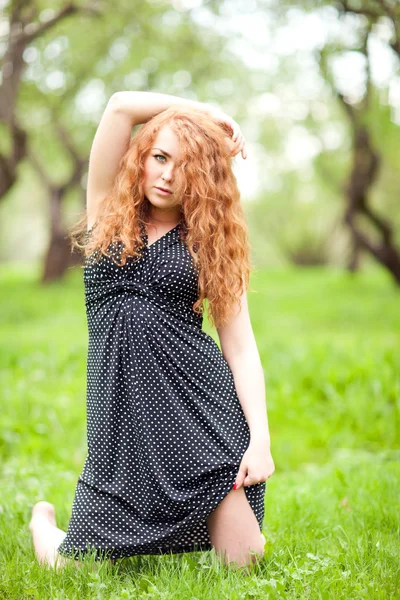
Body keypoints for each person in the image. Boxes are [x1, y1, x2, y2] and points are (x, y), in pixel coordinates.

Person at [29, 91, 275, 571]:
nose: (167, 174)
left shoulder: (209, 243)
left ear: (203, 177)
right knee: (73, 566)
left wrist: (260, 439)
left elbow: (241, 348)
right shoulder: (105, 213)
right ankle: (44, 523)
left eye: (185, 166)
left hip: (199, 413)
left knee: (244, 564)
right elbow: (121, 106)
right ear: (140, 158)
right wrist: (203, 112)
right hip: (119, 415)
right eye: (159, 157)